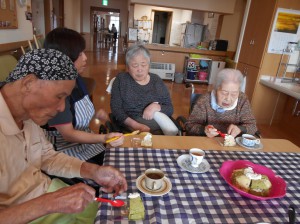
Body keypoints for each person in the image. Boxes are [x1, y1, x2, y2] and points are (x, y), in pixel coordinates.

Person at [0, 48, 127, 224]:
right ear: (28, 83)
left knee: (116, 214)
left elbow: (47, 157)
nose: (61, 108)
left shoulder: (29, 116)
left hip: (46, 193)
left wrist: (94, 171)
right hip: (24, 213)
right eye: (59, 97)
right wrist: (49, 203)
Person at [43, 27, 124, 166]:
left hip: (86, 142)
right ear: (65, 57)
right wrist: (103, 137)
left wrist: (95, 114)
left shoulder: (77, 78)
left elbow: (80, 109)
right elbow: (68, 134)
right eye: (80, 54)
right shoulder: (53, 91)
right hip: (64, 150)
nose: (85, 57)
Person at [110, 44, 178, 135]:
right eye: (135, 65)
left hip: (159, 121)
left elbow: (170, 109)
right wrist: (136, 125)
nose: (140, 69)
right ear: (127, 67)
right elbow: (116, 110)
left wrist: (156, 106)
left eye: (143, 65)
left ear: (149, 65)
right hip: (131, 124)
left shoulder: (156, 81)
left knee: (173, 132)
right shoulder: (121, 80)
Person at [185, 68, 258, 138]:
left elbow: (252, 126)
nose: (228, 98)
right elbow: (189, 125)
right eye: (224, 92)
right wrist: (204, 130)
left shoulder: (242, 99)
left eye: (234, 94)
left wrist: (240, 129)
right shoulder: (204, 100)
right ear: (216, 89)